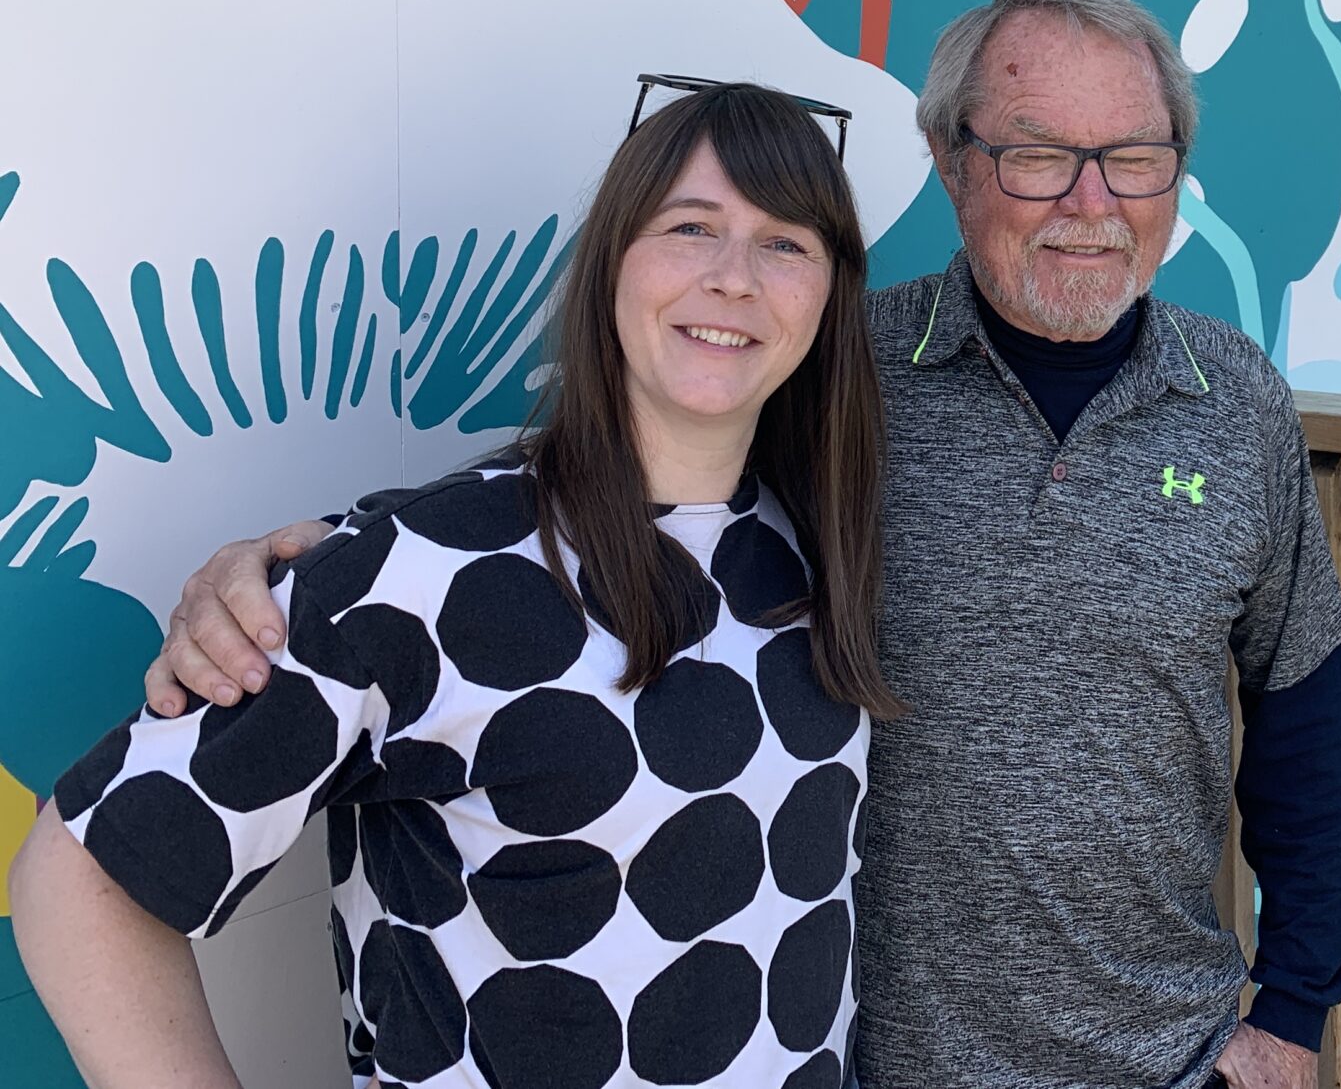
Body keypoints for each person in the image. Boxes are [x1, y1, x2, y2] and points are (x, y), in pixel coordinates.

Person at [135, 0, 1341, 1089]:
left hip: (1171, 1053)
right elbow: (613, 472)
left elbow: (1300, 720)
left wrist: (1294, 1013)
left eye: (1136, 159)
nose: (1092, 203)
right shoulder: (832, 381)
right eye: (1038, 155)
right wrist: (276, 576)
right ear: (949, 159)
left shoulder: (1237, 401)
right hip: (879, 1060)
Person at [11, 82, 895, 1089]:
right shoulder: (425, 571)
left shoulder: (812, 539)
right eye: (692, 227)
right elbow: (83, 876)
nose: (735, 277)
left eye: (786, 243)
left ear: (829, 297)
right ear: (611, 261)